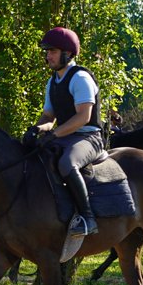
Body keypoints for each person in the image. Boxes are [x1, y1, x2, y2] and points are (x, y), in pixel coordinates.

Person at [23, 26, 106, 238]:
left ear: (67, 54)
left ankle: (88, 218)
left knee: (67, 163)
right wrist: (36, 129)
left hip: (89, 137)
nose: (47, 56)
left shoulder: (80, 78)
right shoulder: (52, 82)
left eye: (52, 51)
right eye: (47, 51)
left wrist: (53, 134)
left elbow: (83, 117)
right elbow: (49, 117)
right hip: (65, 136)